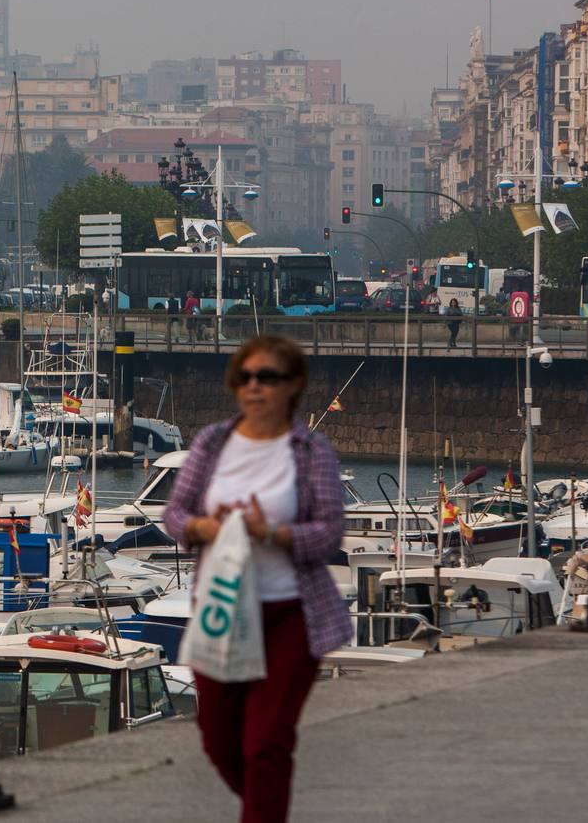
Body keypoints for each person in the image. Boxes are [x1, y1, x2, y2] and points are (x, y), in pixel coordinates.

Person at [162, 334, 350, 823]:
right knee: (219, 739)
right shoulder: (212, 443)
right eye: (244, 377)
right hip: (222, 611)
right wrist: (203, 526)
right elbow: (175, 514)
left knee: (266, 742)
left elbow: (331, 532)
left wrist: (275, 533)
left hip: (291, 614)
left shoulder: (310, 450)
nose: (254, 386)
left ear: (293, 385)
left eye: (267, 377)